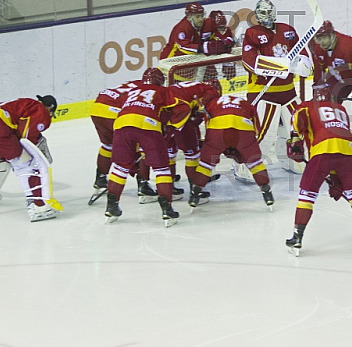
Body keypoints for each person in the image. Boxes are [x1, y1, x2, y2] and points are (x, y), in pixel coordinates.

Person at [284, 87, 352, 256]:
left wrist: (295, 142)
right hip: (349, 150)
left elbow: (297, 121)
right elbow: (339, 136)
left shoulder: (307, 106)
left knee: (307, 194)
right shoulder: (340, 109)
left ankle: (297, 237)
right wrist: (336, 176)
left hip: (323, 149)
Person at [104, 67, 187, 227]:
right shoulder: (163, 91)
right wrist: (171, 126)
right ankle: (167, 210)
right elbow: (182, 108)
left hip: (122, 125)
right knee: (162, 169)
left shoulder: (132, 91)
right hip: (148, 126)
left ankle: (111, 206)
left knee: (119, 168)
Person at [240, 0, 311, 174]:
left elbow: (301, 52)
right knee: (264, 135)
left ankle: (291, 160)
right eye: (263, 12)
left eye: (269, 11)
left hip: (288, 92)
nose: (267, 16)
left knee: (296, 130)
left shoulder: (287, 30)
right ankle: (245, 168)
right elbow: (249, 62)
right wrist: (282, 66)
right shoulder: (252, 33)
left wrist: (304, 63)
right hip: (264, 93)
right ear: (257, 14)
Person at [0, 95, 60, 222]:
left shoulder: (22, 103)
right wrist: (27, 154)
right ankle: (38, 207)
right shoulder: (40, 109)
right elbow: (26, 138)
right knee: (27, 164)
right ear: (50, 108)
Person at [188, 82, 274, 209]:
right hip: (243, 128)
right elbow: (256, 128)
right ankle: (266, 191)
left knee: (206, 163)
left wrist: (218, 147)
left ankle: (195, 194)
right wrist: (247, 146)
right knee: (255, 163)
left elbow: (209, 129)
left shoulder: (210, 104)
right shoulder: (243, 102)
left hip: (218, 129)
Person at [310, 20, 352, 162]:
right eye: (318, 38)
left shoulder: (349, 45)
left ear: (332, 35)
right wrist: (318, 91)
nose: (320, 42)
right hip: (339, 75)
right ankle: (332, 138)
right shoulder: (317, 48)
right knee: (326, 104)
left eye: (323, 37)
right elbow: (319, 72)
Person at [89, 78, 156, 204]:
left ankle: (100, 180)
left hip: (97, 107)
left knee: (108, 145)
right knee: (140, 145)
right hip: (114, 112)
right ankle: (143, 186)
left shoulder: (138, 82)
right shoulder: (151, 90)